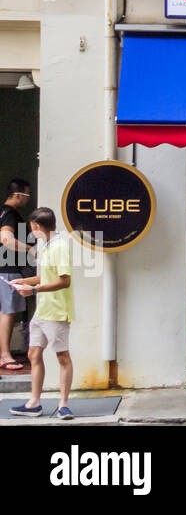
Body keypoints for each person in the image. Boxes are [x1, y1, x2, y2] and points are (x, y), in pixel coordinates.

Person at [8, 208, 75, 419]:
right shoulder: (44, 246)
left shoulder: (60, 246)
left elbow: (65, 281)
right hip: (42, 311)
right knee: (33, 354)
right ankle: (34, 403)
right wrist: (23, 282)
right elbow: (44, 277)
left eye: (31, 228)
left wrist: (33, 290)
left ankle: (64, 405)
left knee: (62, 356)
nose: (31, 232)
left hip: (57, 312)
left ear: (36, 226)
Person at [0, 179, 33, 373]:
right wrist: (31, 250)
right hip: (8, 268)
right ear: (18, 194)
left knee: (5, 311)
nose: (27, 200)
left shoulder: (3, 212)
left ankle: (4, 353)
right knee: (8, 312)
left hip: (4, 268)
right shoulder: (10, 214)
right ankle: (5, 355)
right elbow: (6, 239)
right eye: (27, 195)